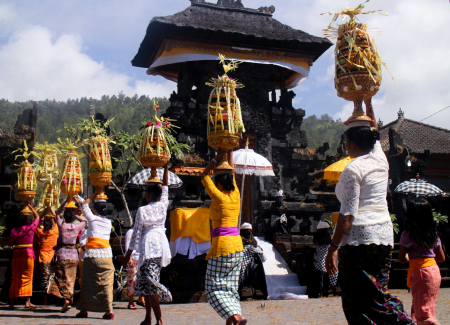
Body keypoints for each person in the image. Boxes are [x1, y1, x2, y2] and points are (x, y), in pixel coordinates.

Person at [325, 112, 413, 324]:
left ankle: (403, 321)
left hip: (358, 242)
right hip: (383, 236)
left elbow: (347, 215)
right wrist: (365, 103)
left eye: (346, 140)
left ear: (353, 144)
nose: (345, 144)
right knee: (377, 291)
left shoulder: (352, 169)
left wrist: (332, 248)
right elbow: (375, 132)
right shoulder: (380, 160)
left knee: (357, 299)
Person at [200, 149, 247, 325]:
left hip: (222, 247)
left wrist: (216, 158)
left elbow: (204, 176)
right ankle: (233, 320)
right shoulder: (236, 195)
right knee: (230, 289)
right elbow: (232, 173)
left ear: (219, 183)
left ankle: (236, 317)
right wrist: (229, 152)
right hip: (237, 246)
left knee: (212, 289)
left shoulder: (219, 197)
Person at [123, 163, 172, 325]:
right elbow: (165, 187)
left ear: (149, 195)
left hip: (149, 248)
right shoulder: (164, 205)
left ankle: (159, 319)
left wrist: (127, 256)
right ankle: (148, 317)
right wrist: (165, 168)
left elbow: (136, 235)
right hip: (159, 247)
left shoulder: (143, 211)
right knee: (146, 285)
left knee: (151, 286)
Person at [399, 198, 445, 325]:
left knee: (423, 315)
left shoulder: (408, 235)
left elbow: (401, 259)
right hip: (434, 271)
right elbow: (442, 258)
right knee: (427, 310)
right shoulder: (434, 234)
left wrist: (410, 257)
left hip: (420, 272)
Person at [76, 187, 114, 319]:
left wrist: (94, 193)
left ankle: (84, 310)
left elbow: (84, 203)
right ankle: (109, 311)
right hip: (106, 256)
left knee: (87, 282)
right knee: (107, 283)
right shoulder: (109, 223)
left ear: (94, 210)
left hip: (92, 255)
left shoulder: (91, 219)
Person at [48, 197, 86, 312]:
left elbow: (57, 213)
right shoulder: (76, 226)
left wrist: (64, 203)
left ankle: (66, 300)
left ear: (65, 217)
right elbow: (84, 221)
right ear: (73, 217)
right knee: (71, 278)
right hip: (73, 255)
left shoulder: (61, 226)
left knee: (60, 278)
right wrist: (76, 215)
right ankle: (69, 299)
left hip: (62, 255)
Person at [8, 204, 40, 310]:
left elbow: (10, 243)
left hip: (17, 255)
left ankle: (12, 303)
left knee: (15, 278)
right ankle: (27, 302)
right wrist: (31, 208)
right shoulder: (30, 228)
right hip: (28, 255)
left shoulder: (14, 230)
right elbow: (38, 218)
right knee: (28, 277)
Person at [34, 206, 59, 305]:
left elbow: (35, 225)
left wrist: (42, 215)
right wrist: (53, 214)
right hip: (53, 257)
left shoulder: (40, 232)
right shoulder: (55, 232)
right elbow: (59, 222)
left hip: (43, 257)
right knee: (53, 277)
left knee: (44, 279)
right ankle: (55, 296)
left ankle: (45, 299)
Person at [307, 221, 338, 298]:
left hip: (319, 261)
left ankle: (322, 291)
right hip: (324, 261)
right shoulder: (327, 241)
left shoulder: (319, 241)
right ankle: (327, 289)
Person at [124, 227, 146, 309]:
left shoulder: (144, 231)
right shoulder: (131, 232)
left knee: (143, 279)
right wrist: (129, 258)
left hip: (142, 258)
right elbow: (127, 245)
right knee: (132, 280)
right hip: (133, 258)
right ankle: (130, 301)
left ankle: (141, 298)